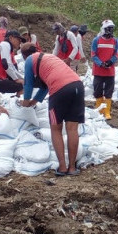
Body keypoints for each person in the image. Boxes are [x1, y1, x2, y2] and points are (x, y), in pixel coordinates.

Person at [19, 43, 85, 177]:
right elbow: (44, 88)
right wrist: (34, 102)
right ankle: (72, 167)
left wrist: (25, 103)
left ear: (24, 55)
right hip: (78, 85)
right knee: (72, 129)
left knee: (56, 128)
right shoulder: (49, 58)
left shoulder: (30, 60)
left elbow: (28, 84)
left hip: (60, 89)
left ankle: (62, 167)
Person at [90, 20, 118, 119]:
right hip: (98, 71)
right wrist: (101, 63)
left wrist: (111, 61)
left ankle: (107, 112)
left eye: (111, 28)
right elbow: (93, 55)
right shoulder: (96, 40)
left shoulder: (114, 41)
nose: (110, 31)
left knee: (109, 92)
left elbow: (116, 53)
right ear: (104, 29)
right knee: (97, 91)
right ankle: (99, 111)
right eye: (108, 28)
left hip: (110, 71)